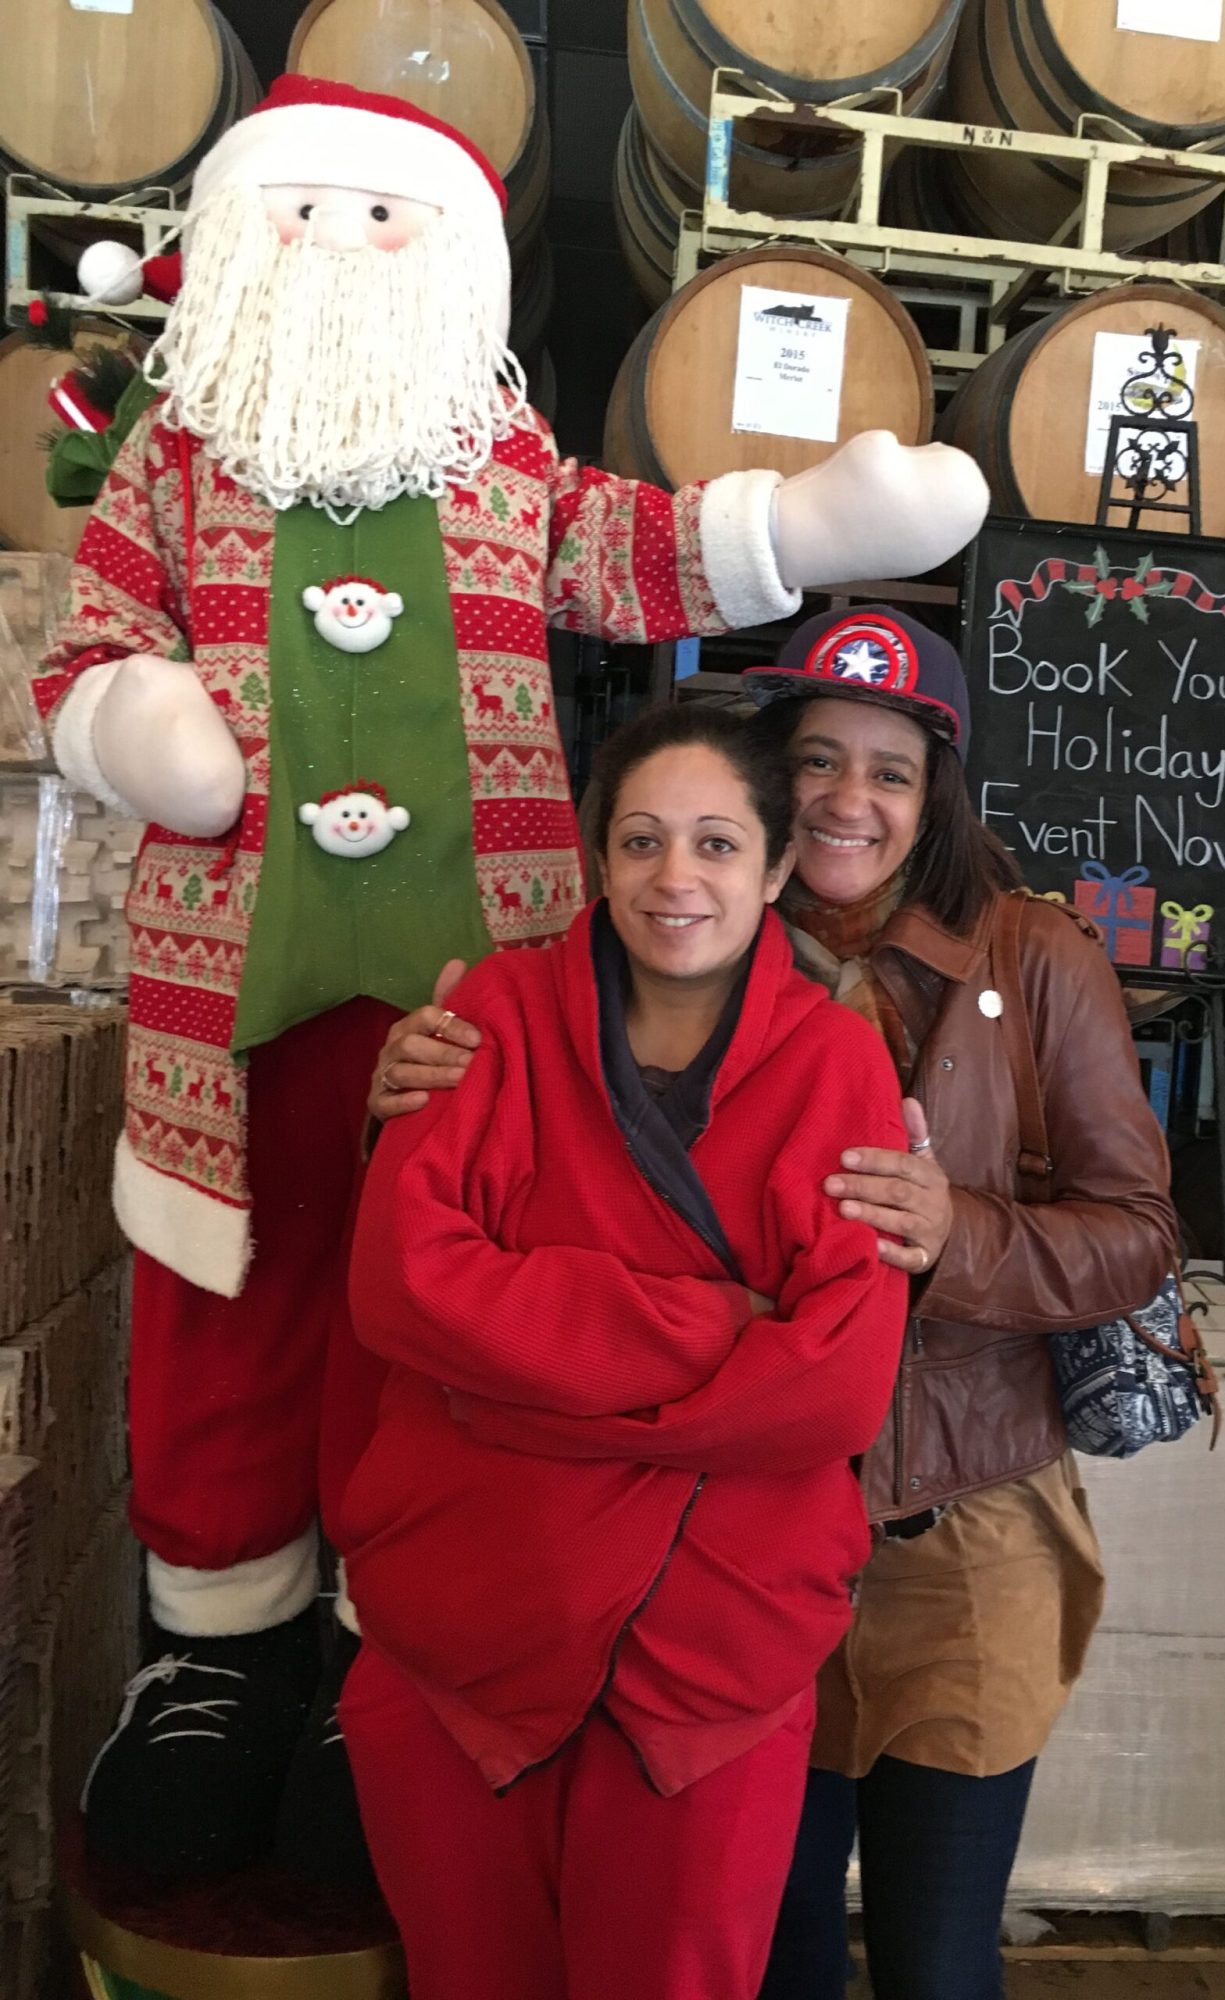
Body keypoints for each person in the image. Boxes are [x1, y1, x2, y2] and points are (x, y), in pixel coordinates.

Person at [34, 72, 988, 1878]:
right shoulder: (171, 461)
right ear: (236, 241)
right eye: (305, 211)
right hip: (230, 999)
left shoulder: (503, 463)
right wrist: (133, 721)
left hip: (478, 999)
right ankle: (217, 1656)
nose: (343, 241)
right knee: (224, 1305)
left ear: (453, 259)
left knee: (440, 1308)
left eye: (383, 214)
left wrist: (803, 531)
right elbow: (89, 642)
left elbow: (630, 551)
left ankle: (377, 1644)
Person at [373, 606, 1177, 2000]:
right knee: (769, 1947)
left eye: (890, 770)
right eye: (816, 760)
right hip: (713, 1541)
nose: (848, 797)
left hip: (952, 1511)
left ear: (935, 796)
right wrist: (404, 1088)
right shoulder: (660, 943)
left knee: (935, 1950)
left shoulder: (1032, 956)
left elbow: (1140, 1235)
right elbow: (453, 1238)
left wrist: (959, 1232)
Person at [337, 701, 911, 2000]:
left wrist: (511, 1386)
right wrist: (719, 1329)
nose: (675, 878)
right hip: (469, 1620)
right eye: (642, 840)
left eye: (718, 844)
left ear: (777, 868)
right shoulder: (492, 1014)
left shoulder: (837, 1062)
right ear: (598, 858)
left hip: (710, 1658)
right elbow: (406, 1285)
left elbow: (836, 1387)